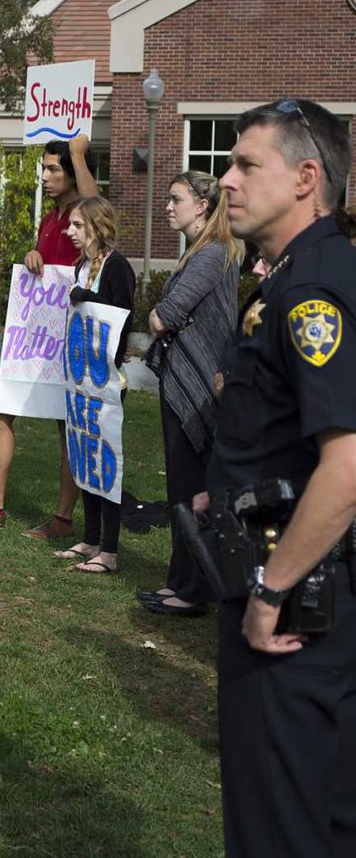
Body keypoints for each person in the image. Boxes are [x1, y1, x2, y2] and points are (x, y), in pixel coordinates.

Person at [206, 99, 356, 857]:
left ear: (306, 178)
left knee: (280, 830)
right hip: (311, 598)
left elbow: (350, 463)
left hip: (296, 612)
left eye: (244, 164)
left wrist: (268, 595)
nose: (224, 180)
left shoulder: (312, 291)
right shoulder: (303, 274)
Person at [0, 135, 98, 537]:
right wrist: (34, 256)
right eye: (44, 168)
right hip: (36, 339)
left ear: (74, 173)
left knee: (68, 428)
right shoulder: (50, 218)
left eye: (53, 169)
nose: (44, 176)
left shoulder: (84, 213)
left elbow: (98, 208)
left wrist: (78, 155)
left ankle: (63, 519)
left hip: (71, 338)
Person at [139, 171, 243, 616]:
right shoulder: (201, 252)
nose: (167, 206)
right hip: (187, 380)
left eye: (175, 198)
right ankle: (183, 581)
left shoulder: (210, 255)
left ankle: (193, 590)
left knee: (190, 486)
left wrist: (161, 317)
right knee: (185, 486)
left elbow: (165, 317)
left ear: (202, 205)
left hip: (196, 389)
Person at [53, 197, 135, 574]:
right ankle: (90, 538)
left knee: (106, 461)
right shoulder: (81, 266)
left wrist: (87, 297)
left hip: (105, 381)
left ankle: (111, 549)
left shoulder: (117, 267)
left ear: (96, 227)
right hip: (80, 379)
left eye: (76, 225)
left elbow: (121, 316)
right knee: (84, 455)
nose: (69, 232)